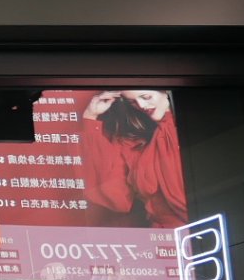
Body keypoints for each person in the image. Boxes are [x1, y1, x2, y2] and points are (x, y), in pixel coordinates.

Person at [79, 89, 187, 227]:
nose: (142, 105)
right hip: (164, 234)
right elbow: (116, 196)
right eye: (132, 102)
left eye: (146, 97)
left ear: (165, 90)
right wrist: (90, 116)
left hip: (199, 225)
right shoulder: (130, 141)